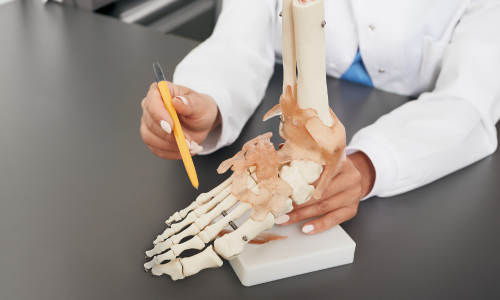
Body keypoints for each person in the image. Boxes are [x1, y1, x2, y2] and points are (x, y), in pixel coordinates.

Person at [140, 0, 500, 235]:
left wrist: (370, 164)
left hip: (419, 166)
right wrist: (208, 101)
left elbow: (468, 98)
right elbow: (238, 38)